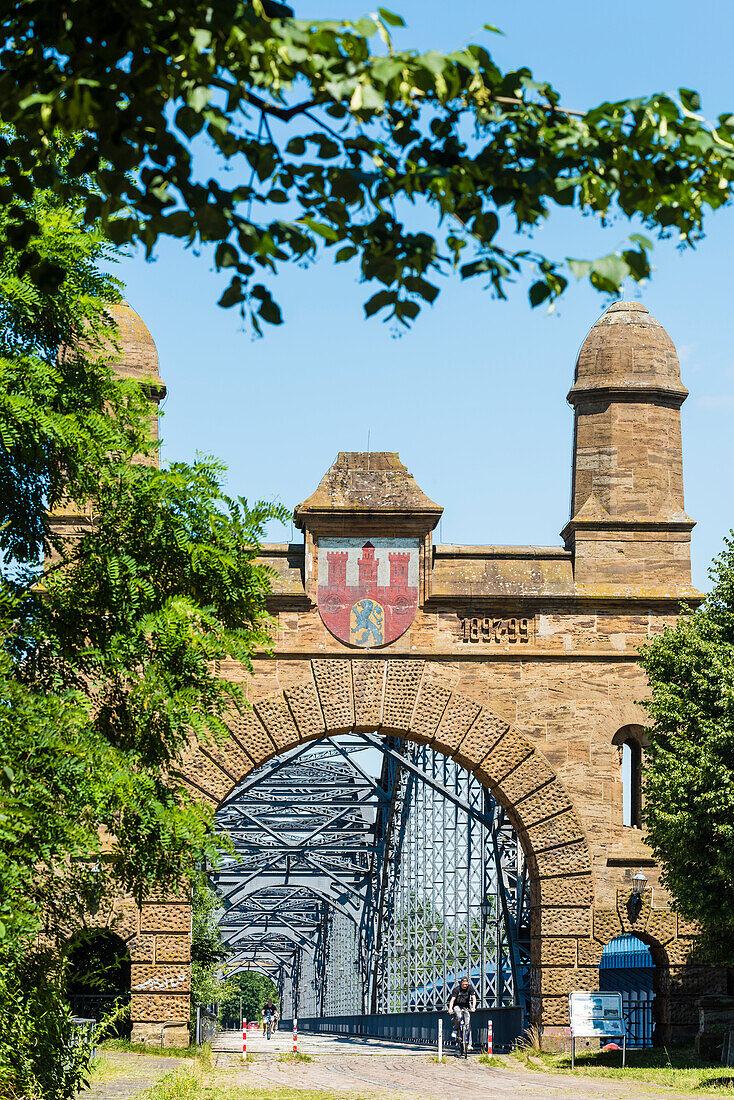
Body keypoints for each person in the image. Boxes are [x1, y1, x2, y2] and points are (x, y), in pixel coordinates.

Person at [447, 976, 478, 1049]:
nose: (465, 986)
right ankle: (455, 1030)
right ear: (461, 983)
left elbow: (474, 998)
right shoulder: (456, 989)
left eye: (466, 984)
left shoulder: (470, 988)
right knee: (458, 1015)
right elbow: (452, 1000)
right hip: (457, 1006)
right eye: (464, 984)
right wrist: (450, 1009)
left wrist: (473, 1007)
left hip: (465, 1007)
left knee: (468, 1025)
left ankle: (469, 1045)